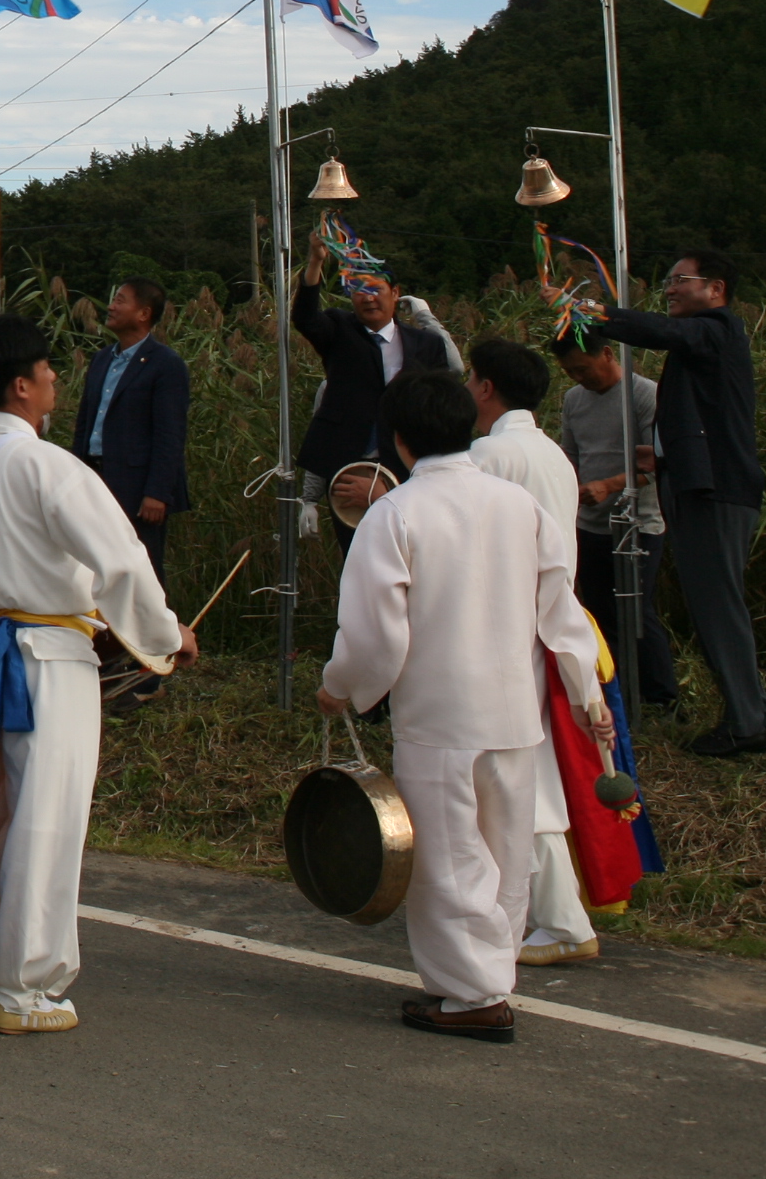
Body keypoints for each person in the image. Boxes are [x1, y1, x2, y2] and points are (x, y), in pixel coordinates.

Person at [0, 313, 192, 1035]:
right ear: (21, 386)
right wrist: (167, 636)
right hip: (49, 658)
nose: (55, 377)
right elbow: (121, 560)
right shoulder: (46, 464)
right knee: (46, 819)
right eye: (44, 369)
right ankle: (27, 989)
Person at [322, 369, 608, 1041]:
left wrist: (342, 686)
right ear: (466, 424)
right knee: (505, 852)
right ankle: (490, 975)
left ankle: (472, 995)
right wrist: (587, 694)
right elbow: (561, 609)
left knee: (450, 859)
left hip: (439, 716)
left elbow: (375, 632)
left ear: (400, 439)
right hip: (514, 712)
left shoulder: (395, 513)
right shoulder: (518, 506)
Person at [598, 251, 766, 758]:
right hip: (706, 486)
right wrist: (662, 456)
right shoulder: (707, 340)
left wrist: (594, 313)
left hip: (715, 492)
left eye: (681, 280)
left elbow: (663, 332)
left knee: (717, 609)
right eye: (668, 281)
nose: (670, 289)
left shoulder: (715, 329)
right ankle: (758, 717)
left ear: (715, 288)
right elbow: (705, 419)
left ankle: (745, 725)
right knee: (721, 605)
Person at [464, 339, 604, 970]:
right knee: (528, 772)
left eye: (470, 377)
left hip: (507, 628)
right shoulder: (552, 454)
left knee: (518, 777)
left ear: (486, 387)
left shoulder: (489, 455)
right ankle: (547, 914)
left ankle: (557, 919)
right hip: (553, 624)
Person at [295, 234, 459, 530]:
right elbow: (305, 318)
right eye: (359, 290)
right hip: (350, 467)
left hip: (407, 466)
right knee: (356, 548)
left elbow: (446, 387)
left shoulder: (425, 344)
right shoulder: (339, 331)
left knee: (408, 543)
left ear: (395, 293)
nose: (368, 298)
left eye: (376, 289)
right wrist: (316, 261)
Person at [555, 329, 674, 709]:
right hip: (590, 524)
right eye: (570, 372)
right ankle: (616, 693)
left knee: (637, 609)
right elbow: (569, 455)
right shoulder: (574, 400)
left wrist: (609, 485)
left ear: (607, 354)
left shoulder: (645, 395)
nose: (579, 378)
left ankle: (662, 698)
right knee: (600, 611)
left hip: (638, 523)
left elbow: (659, 464)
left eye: (583, 368)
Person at [70, 277, 191, 579]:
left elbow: (170, 434)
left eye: (120, 300)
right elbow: (84, 423)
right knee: (93, 570)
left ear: (143, 313)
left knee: (142, 573)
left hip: (136, 489)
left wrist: (157, 492)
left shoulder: (165, 364)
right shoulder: (101, 359)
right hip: (95, 481)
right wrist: (75, 476)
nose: (111, 307)